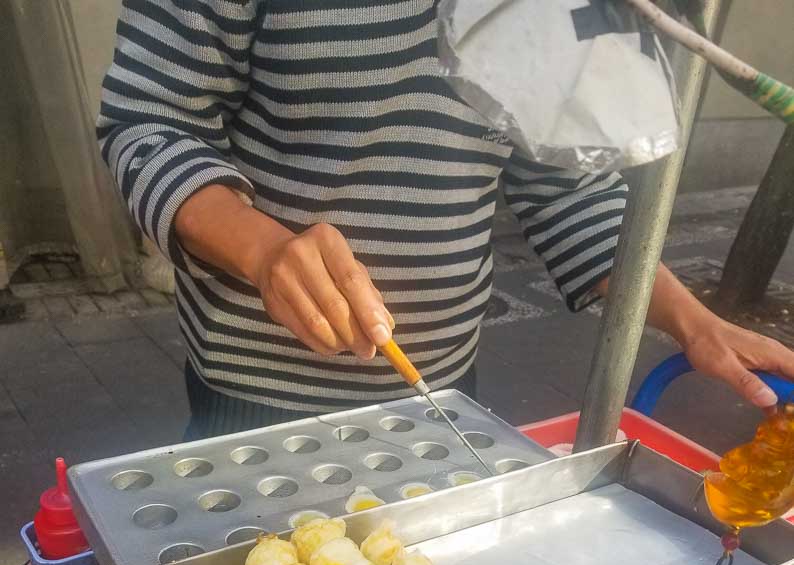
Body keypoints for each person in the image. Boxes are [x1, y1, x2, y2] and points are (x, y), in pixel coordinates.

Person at [98, 1, 794, 440]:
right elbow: (146, 120)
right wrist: (263, 249)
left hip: (441, 393)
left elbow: (560, 187)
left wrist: (695, 322)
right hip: (258, 401)